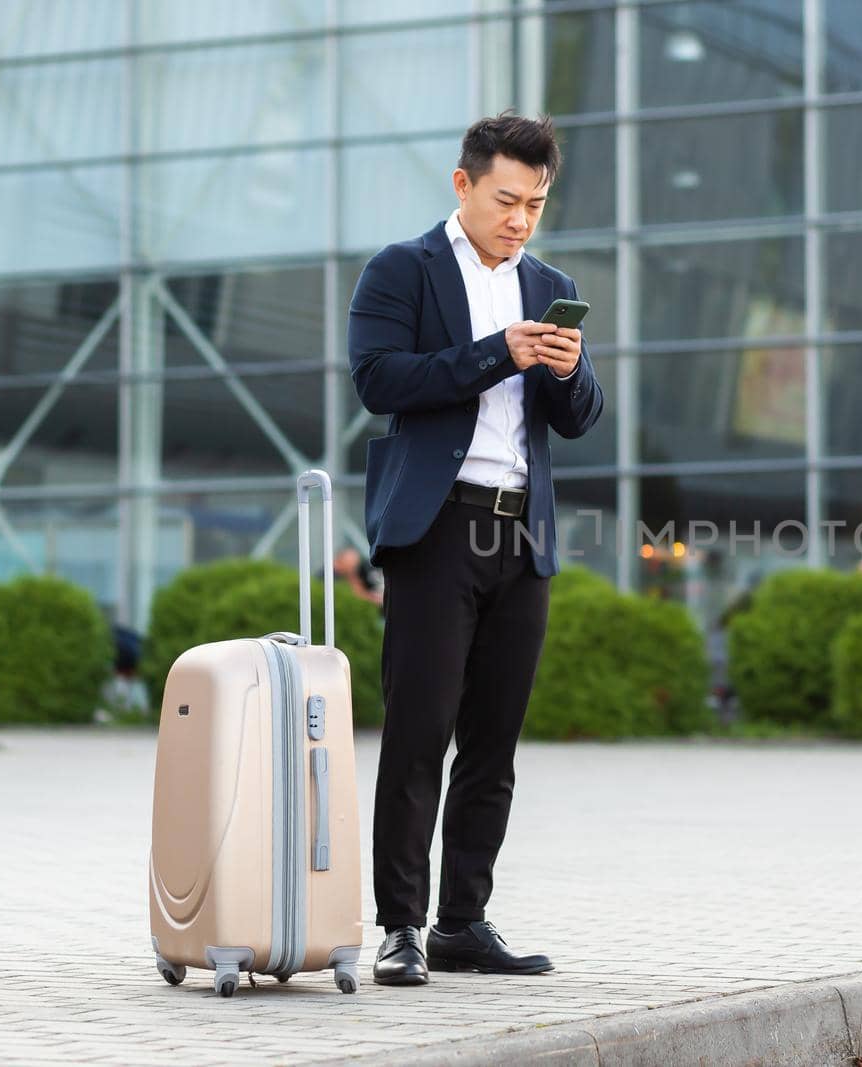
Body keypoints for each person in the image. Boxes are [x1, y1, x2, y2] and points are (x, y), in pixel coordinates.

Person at [347, 112, 605, 985]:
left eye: (535, 203)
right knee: (418, 734)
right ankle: (399, 927)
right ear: (463, 186)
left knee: (494, 742)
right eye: (507, 199)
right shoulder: (402, 269)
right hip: (437, 528)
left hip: (520, 531)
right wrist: (497, 354)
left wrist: (566, 368)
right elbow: (380, 378)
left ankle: (464, 922)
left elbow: (579, 417)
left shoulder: (550, 282)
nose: (522, 218)